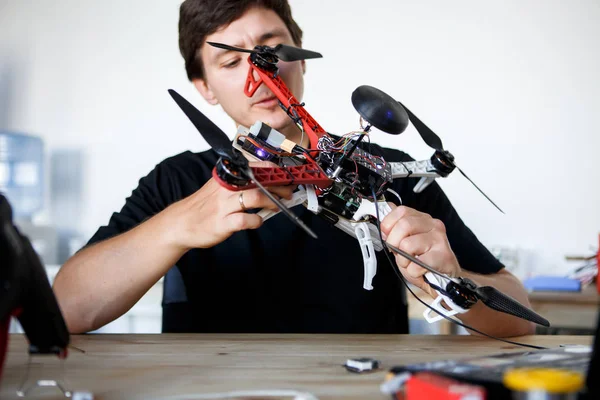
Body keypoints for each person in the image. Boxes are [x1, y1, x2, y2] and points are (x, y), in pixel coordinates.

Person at [53, 0, 534, 337]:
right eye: (229, 62)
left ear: (299, 57)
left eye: (272, 51)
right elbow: (65, 309)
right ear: (203, 87)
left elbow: (522, 316)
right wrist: (179, 223)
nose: (260, 76)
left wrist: (451, 281)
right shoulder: (177, 181)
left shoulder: (384, 172)